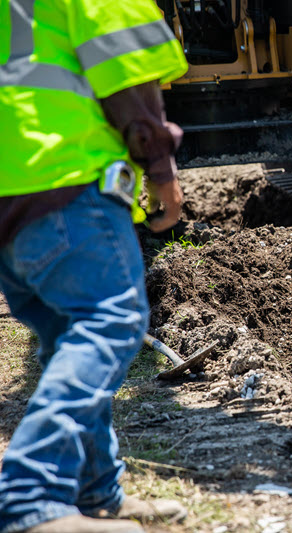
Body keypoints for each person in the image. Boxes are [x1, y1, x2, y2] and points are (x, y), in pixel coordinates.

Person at [0, 1, 189, 532]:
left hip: (10, 192)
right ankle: (29, 498)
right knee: (111, 320)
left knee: (69, 336)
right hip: (62, 177)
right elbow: (127, 69)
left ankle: (95, 492)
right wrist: (160, 168)